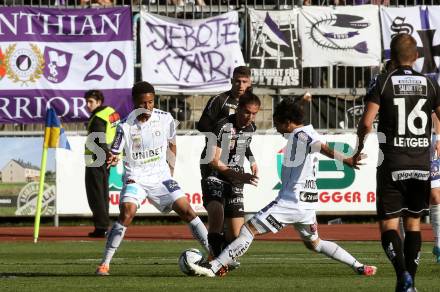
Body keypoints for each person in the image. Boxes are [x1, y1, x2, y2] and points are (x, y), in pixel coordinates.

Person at [189, 97, 377, 278]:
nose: (277, 129)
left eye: (277, 124)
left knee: (248, 230)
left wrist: (348, 160)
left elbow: (321, 146)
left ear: (287, 122)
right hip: (308, 204)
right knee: (315, 244)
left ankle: (213, 267)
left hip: (291, 201)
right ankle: (359, 266)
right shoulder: (307, 131)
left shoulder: (299, 134)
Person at [353, 34, 440, 292]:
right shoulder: (430, 84)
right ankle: (408, 284)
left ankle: (402, 274)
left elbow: (367, 122)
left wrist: (358, 149)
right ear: (416, 57)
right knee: (414, 224)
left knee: (389, 225)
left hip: (391, 163)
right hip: (421, 164)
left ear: (391, 56)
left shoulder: (382, 82)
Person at [95, 81, 210, 275]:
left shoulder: (165, 119)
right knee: (127, 212)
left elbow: (172, 144)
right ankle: (105, 263)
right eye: (143, 103)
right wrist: (113, 158)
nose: (147, 107)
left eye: (151, 102)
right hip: (136, 178)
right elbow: (115, 151)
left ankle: (216, 255)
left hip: (161, 177)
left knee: (187, 210)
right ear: (134, 102)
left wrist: (170, 170)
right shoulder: (124, 125)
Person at [198, 66, 258, 257]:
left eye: (244, 81)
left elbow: (244, 140)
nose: (240, 85)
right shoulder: (220, 101)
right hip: (214, 162)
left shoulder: (250, 118)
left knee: (235, 234)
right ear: (232, 81)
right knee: (216, 212)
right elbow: (202, 125)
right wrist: (223, 132)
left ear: (250, 83)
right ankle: (214, 257)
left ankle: (221, 253)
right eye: (237, 81)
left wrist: (252, 160)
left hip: (235, 166)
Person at [84, 90, 120, 238]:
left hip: (96, 160)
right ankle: (103, 226)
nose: (87, 105)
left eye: (91, 102)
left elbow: (99, 139)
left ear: (99, 102)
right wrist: (114, 155)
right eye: (87, 102)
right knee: (103, 194)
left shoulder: (98, 117)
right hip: (108, 159)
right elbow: (118, 133)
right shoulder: (112, 113)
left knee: (96, 195)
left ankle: (101, 227)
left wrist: (106, 154)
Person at [430, 113, 440, 263]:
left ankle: (439, 244)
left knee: (435, 195)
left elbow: (436, 113)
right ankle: (405, 245)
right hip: (406, 144)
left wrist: (438, 138)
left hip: (430, 145)